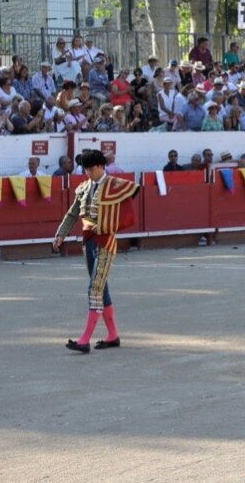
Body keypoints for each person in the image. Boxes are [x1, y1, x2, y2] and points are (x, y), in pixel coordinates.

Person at [52, 149, 141, 353]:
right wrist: (61, 234)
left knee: (94, 288)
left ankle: (84, 340)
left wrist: (108, 225)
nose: (88, 172)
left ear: (101, 166)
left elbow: (128, 211)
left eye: (91, 168)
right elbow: (73, 212)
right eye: (85, 169)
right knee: (102, 289)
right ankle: (113, 336)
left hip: (105, 241)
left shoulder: (115, 185)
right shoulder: (84, 187)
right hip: (88, 241)